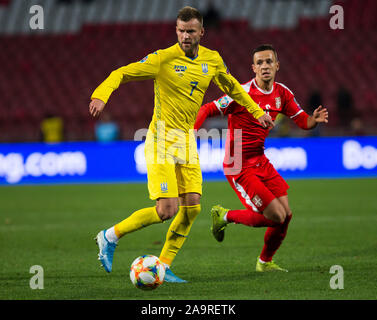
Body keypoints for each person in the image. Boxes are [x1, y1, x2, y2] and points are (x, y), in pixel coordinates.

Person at [89, 7, 274, 282]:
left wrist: (257, 111)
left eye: (190, 31)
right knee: (167, 210)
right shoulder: (163, 59)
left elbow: (233, 88)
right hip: (161, 138)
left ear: (201, 32)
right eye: (181, 31)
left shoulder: (212, 60)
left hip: (186, 139)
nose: (185, 36)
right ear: (176, 31)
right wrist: (101, 95)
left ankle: (163, 265)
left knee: (192, 207)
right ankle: (109, 236)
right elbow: (123, 73)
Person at [194, 44, 328, 272]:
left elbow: (302, 121)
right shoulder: (241, 92)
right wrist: (191, 132)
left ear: (277, 65)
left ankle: (264, 263)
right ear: (253, 68)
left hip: (260, 161)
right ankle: (224, 216)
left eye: (269, 62)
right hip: (238, 165)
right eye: (260, 63)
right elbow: (207, 109)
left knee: (286, 215)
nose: (265, 66)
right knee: (275, 215)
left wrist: (313, 120)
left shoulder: (282, 93)